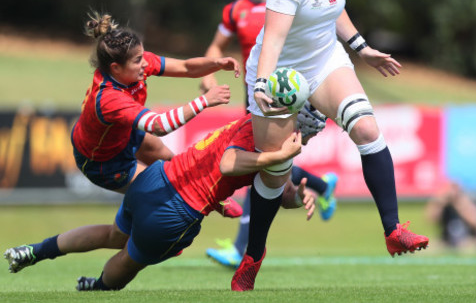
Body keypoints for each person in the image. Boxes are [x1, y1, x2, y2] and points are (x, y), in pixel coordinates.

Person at [233, 0, 429, 291]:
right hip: (278, 75)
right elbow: (271, 42)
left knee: (369, 132)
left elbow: (333, 6)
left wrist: (362, 48)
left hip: (325, 60)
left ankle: (393, 231)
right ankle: (253, 256)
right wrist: (261, 86)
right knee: (274, 176)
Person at [4, 104, 322, 292]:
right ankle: (97, 288)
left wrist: (295, 195)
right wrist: (285, 178)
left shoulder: (251, 120)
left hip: (155, 179)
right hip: (176, 212)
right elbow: (234, 166)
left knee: (112, 234)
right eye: (305, 137)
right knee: (129, 259)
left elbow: (272, 186)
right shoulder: (275, 152)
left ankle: (34, 251)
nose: (303, 144)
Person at [201, 0, 339, 268]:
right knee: (266, 162)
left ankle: (242, 250)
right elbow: (215, 47)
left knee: (262, 165)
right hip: (255, 96)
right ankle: (321, 185)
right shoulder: (235, 10)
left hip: (289, 95)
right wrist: (208, 75)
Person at [71, 11, 239, 196]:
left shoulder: (133, 65)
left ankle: (214, 200)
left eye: (143, 56)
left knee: (175, 167)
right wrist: (205, 101)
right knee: (164, 194)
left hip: (124, 134)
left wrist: (216, 63)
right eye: (138, 60)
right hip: (104, 163)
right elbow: (159, 125)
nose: (145, 63)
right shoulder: (109, 98)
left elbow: (186, 67)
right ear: (116, 68)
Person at [425, 181, 476, 253]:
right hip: (447, 240)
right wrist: (440, 202)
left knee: (467, 250)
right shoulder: (445, 204)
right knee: (425, 248)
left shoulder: (471, 200)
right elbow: (431, 219)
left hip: (469, 239)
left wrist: (459, 203)